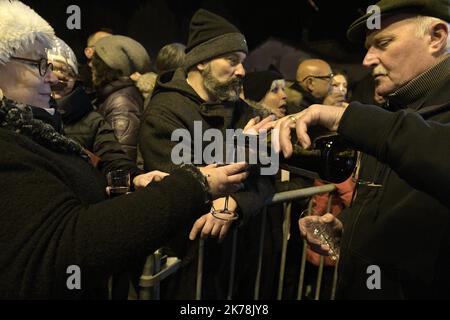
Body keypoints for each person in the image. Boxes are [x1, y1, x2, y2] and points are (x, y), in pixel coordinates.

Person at [0, 0, 248, 299]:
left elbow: (264, 168)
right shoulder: (12, 142)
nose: (52, 77)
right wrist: (196, 182)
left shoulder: (34, 128)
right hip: (187, 264)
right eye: (38, 64)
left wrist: (130, 178)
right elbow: (71, 245)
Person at [277, 0, 450, 299]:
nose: (368, 60)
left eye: (383, 43)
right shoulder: (396, 110)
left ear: (436, 37)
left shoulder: (383, 123)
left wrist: (349, 117)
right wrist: (350, 226)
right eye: (369, 47)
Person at [139, 9, 275, 299]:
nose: (242, 71)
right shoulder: (165, 112)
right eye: (232, 61)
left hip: (242, 254)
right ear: (201, 62)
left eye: (243, 62)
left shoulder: (243, 110)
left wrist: (235, 203)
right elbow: (182, 185)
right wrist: (241, 147)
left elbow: (267, 178)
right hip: (191, 258)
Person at [48, 36, 147, 181]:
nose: (54, 77)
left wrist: (133, 177)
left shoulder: (113, 106)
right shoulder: (21, 112)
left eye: (64, 70)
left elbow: (117, 157)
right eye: (48, 69)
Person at [91, 35, 151, 162]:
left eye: (95, 61)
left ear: (104, 67)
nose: (90, 65)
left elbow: (121, 160)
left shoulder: (121, 102)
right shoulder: (113, 96)